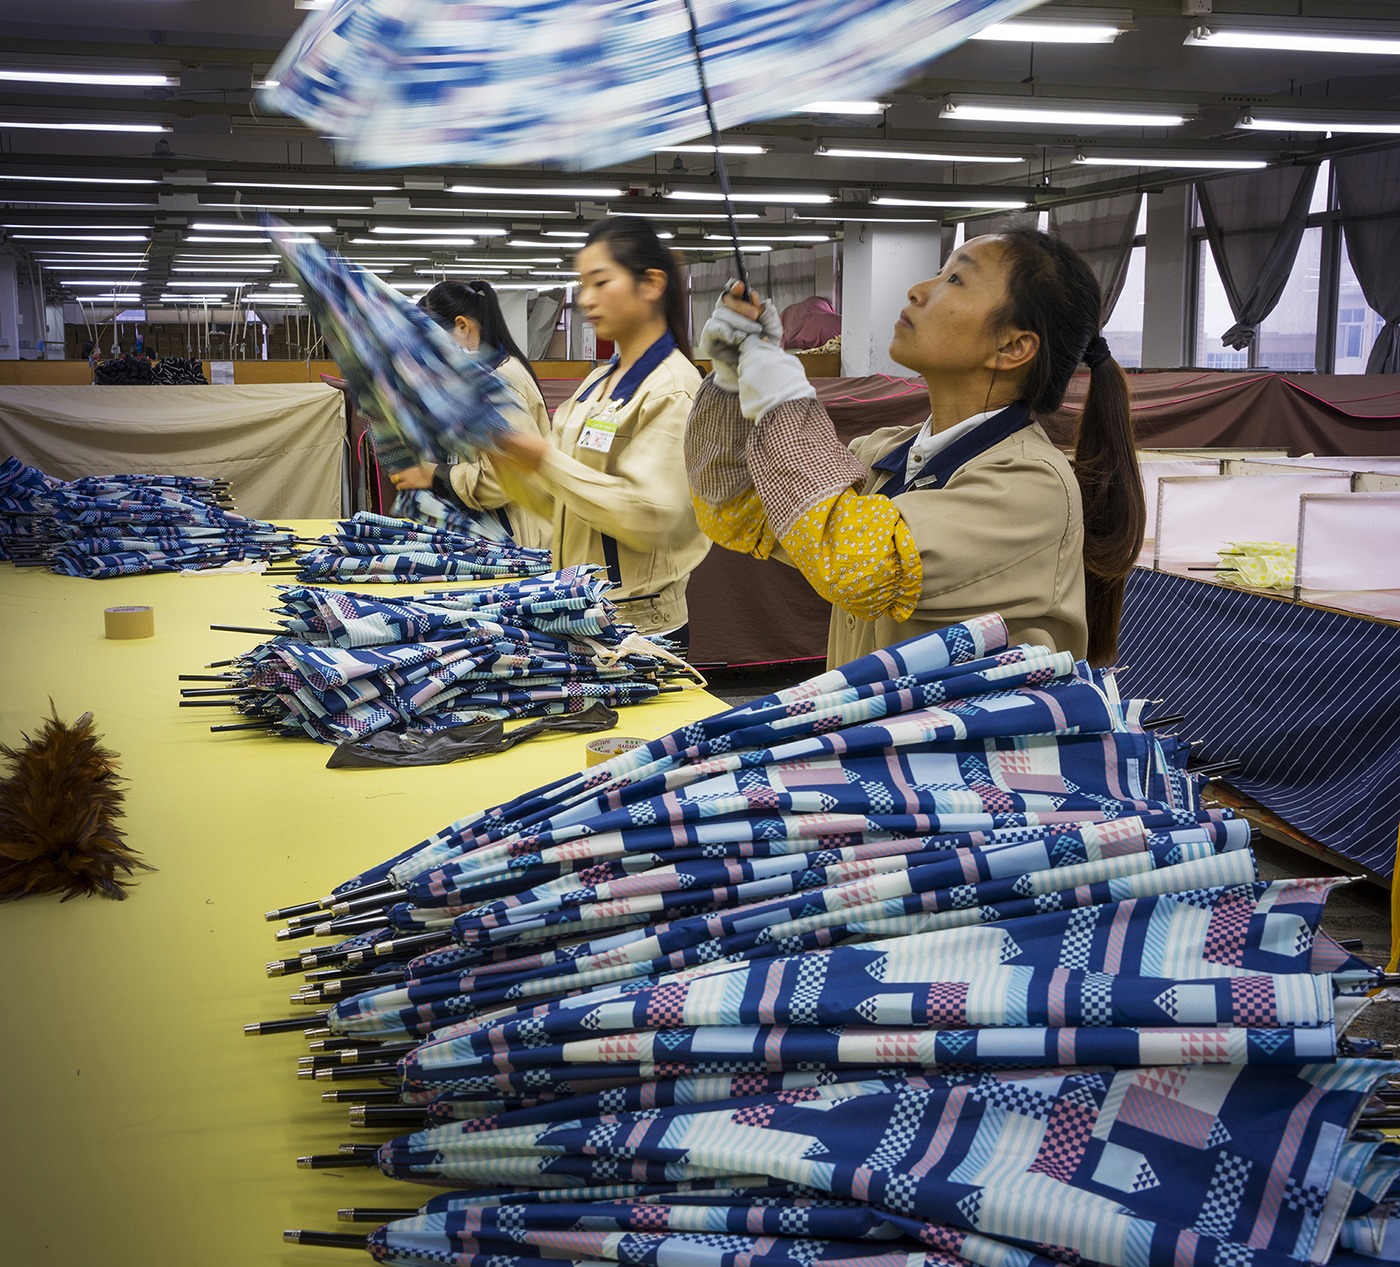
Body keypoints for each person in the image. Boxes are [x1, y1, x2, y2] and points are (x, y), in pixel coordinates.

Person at [685, 227, 1145, 668]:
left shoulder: (1029, 486)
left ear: (1012, 347)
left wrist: (784, 396)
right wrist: (731, 380)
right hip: (871, 743)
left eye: (956, 279)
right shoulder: (884, 457)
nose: (917, 289)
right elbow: (737, 510)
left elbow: (852, 564)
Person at [491, 216, 708, 650]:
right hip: (580, 608)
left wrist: (543, 460)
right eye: (581, 285)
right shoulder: (596, 385)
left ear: (651, 284)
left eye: (600, 282)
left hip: (640, 626)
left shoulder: (673, 389)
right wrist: (505, 457)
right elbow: (556, 500)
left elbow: (651, 515)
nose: (585, 300)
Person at [389, 279, 553, 549]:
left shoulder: (503, 381)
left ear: (462, 326)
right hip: (500, 530)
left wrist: (436, 475)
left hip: (519, 538)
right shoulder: (480, 379)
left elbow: (504, 481)